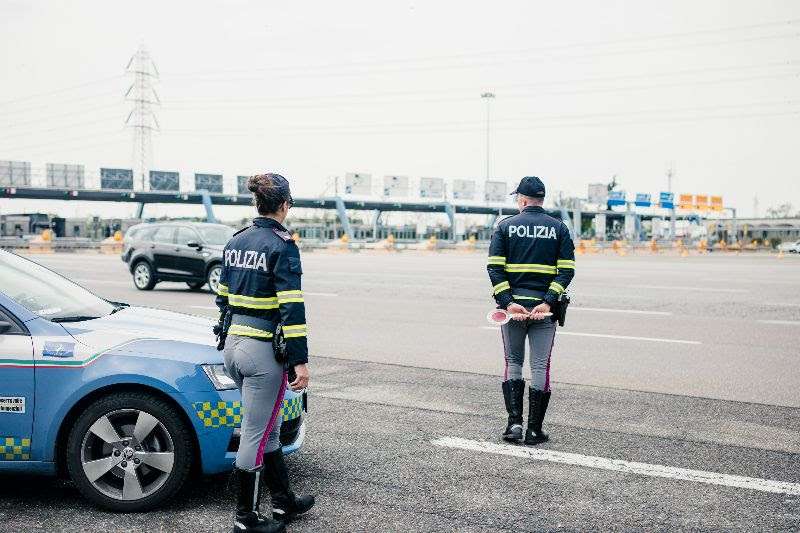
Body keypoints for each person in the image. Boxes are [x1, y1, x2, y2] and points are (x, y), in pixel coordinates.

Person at [215, 173, 315, 533]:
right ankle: (246, 519)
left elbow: (222, 297)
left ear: (257, 202)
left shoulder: (236, 240)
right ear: (284, 204)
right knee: (255, 434)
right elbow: (292, 308)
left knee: (266, 429)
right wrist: (299, 360)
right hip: (261, 355)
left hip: (233, 347)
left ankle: (284, 500)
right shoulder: (281, 244)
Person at [486, 176, 576, 445]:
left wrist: (508, 302)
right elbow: (566, 271)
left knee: (513, 362)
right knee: (540, 366)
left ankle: (514, 425)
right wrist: (548, 302)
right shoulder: (559, 228)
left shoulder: (505, 227)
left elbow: (494, 268)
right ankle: (534, 431)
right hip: (543, 313)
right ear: (541, 199)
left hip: (513, 312)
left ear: (523, 200)